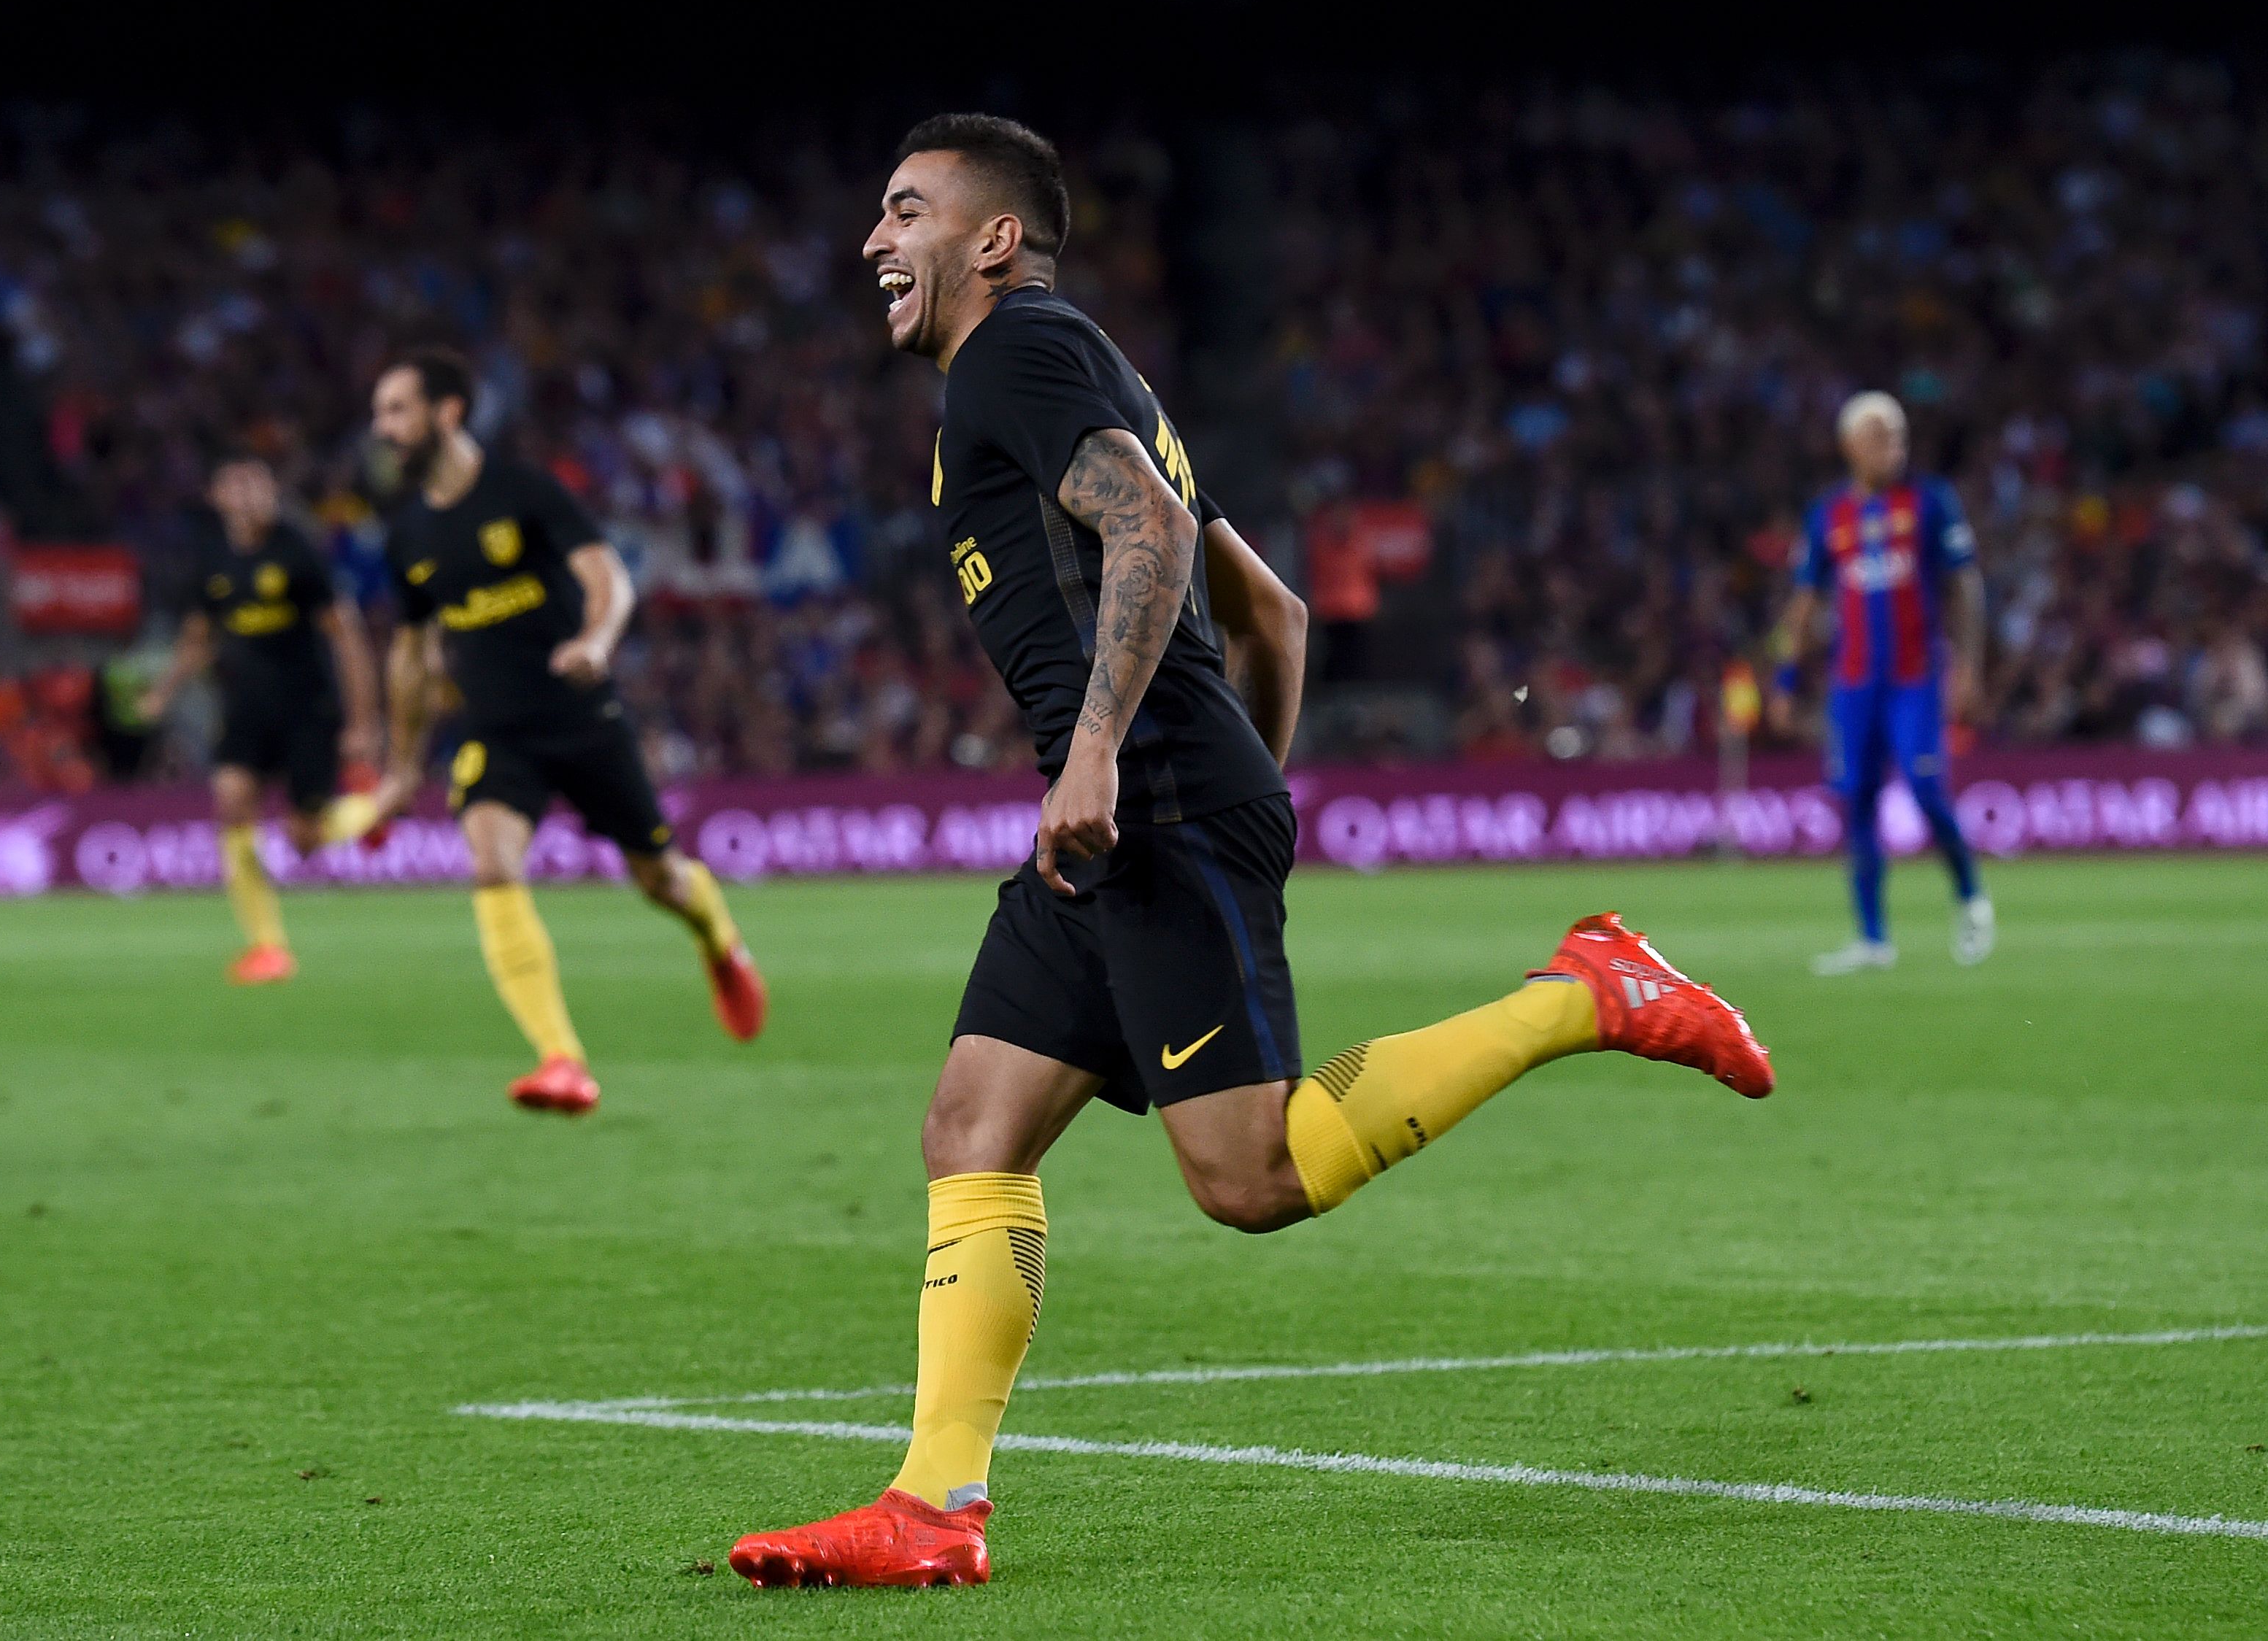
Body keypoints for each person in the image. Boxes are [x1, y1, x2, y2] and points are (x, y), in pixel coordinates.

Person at [725, 115, 1775, 1591]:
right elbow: (1270, 612)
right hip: (1131, 815)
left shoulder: (1016, 356)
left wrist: (1116, 756)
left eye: (903, 211)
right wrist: (1236, 798)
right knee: (973, 1126)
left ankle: (1580, 992)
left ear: (992, 239)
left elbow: (1149, 528)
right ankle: (932, 1504)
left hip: (1135, 796)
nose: (871, 243)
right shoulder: (1084, 373)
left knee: (1251, 1173)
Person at [369, 348, 766, 1116]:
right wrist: (401, 766)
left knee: (660, 879)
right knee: (492, 862)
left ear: (447, 413)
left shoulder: (523, 491)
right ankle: (562, 1059)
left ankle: (718, 936)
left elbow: (607, 577)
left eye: (397, 410)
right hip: (495, 731)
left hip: (579, 715)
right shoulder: (408, 534)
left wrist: (595, 639)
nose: (383, 428)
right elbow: (411, 655)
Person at [1769, 392, 1994, 974]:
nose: (1892, 447)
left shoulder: (1930, 502)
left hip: (1914, 678)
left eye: (1897, 436)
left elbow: (1965, 586)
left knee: (1925, 794)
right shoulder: (1828, 515)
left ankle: (1969, 895)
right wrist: (1785, 677)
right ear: (1849, 446)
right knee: (1857, 800)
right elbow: (1801, 602)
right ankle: (1872, 938)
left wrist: (1968, 666)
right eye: (1879, 437)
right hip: (1853, 684)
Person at [140, 453, 383, 985]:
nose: (252, 494)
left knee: (305, 839)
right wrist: (163, 692)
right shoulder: (214, 560)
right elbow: (199, 638)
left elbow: (347, 635)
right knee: (231, 802)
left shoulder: (297, 552)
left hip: (307, 708)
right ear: (218, 496)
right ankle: (267, 947)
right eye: (239, 485)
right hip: (246, 707)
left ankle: (378, 807)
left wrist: (362, 722)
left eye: (260, 484)